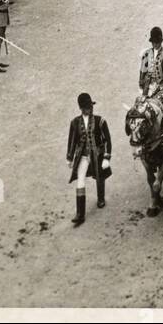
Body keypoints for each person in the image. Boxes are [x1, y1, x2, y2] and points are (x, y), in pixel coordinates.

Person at [66, 91, 112, 226]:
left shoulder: (100, 121)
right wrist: (69, 157)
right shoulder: (75, 123)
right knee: (80, 180)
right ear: (81, 108)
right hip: (83, 156)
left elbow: (107, 140)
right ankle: (80, 213)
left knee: (100, 175)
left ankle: (101, 198)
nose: (90, 109)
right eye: (87, 107)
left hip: (97, 154)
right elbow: (72, 141)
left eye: (91, 106)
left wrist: (106, 158)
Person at [139, 26, 163, 93]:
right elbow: (143, 71)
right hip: (148, 87)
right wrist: (142, 84)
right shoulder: (146, 54)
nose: (155, 44)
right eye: (153, 42)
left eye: (157, 42)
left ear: (161, 41)